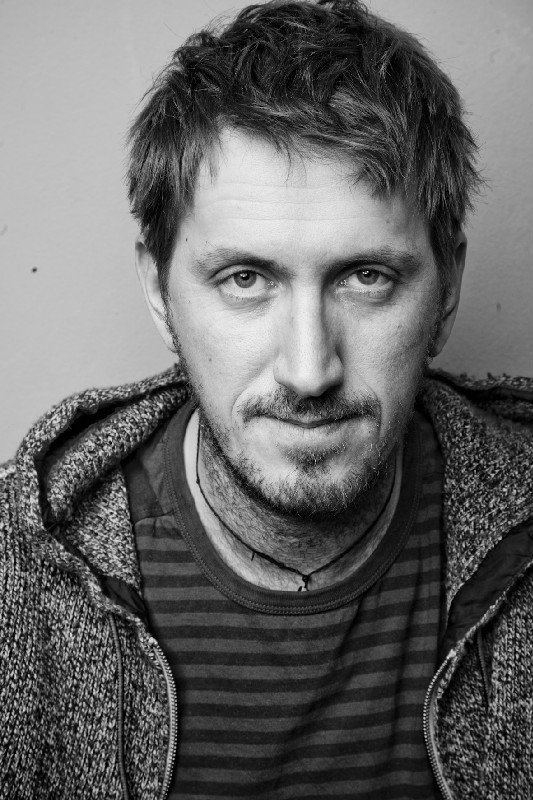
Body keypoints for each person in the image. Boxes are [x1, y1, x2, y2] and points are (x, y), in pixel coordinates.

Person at [1, 0, 532, 797]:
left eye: (366, 277)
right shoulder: (16, 583)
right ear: (159, 291)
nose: (309, 371)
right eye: (244, 279)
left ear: (446, 286)